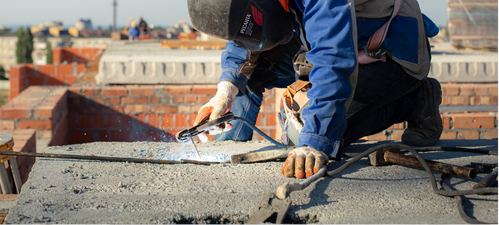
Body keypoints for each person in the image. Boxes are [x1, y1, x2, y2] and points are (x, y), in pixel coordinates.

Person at [187, 0, 442, 179]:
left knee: (320, 136)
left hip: (394, 53)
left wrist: (314, 141)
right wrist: (226, 90)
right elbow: (245, 34)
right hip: (337, 39)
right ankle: (229, 144)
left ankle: (418, 100)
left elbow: (333, 59)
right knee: (248, 73)